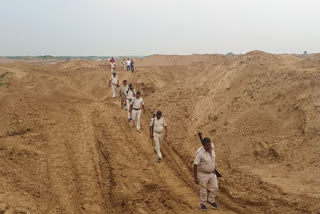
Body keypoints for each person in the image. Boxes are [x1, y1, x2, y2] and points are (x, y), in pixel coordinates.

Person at [193, 137, 218, 211]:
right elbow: (195, 165)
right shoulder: (199, 153)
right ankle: (203, 204)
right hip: (202, 174)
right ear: (203, 145)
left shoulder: (212, 147)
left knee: (215, 187)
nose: (209, 146)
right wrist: (195, 178)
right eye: (207, 145)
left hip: (212, 173)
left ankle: (210, 200)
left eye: (209, 145)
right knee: (203, 190)